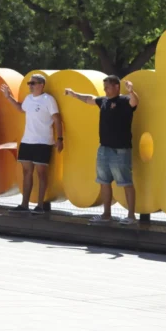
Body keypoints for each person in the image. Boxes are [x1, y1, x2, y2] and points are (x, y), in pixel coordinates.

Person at [64, 76, 138, 225]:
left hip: (120, 150)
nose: (105, 90)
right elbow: (90, 99)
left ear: (117, 87)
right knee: (104, 182)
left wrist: (131, 90)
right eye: (104, 87)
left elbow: (134, 102)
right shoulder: (103, 101)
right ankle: (106, 214)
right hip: (104, 148)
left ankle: (131, 216)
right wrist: (74, 94)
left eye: (108, 87)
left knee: (125, 182)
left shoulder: (124, 101)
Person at [1, 74, 63, 214]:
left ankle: (40, 205)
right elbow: (20, 108)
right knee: (26, 172)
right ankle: (24, 205)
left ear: (41, 85)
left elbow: (57, 119)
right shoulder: (29, 99)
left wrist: (59, 139)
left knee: (41, 174)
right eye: (29, 83)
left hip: (43, 142)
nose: (30, 85)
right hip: (27, 141)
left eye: (33, 83)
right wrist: (8, 96)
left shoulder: (48, 100)